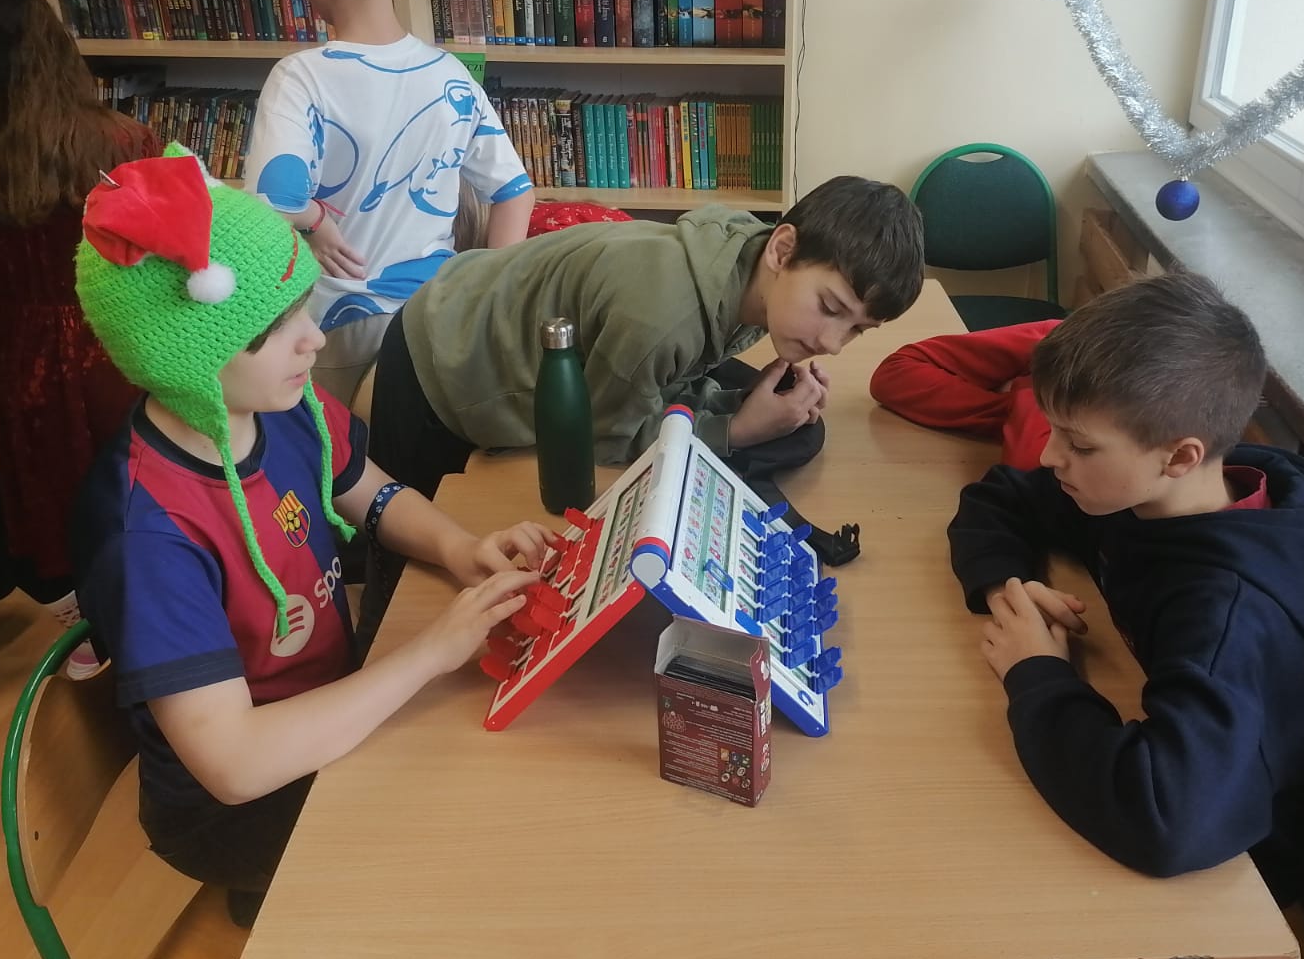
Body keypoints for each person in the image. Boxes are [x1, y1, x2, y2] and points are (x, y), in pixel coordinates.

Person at [71, 152, 553, 922]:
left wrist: (458, 547)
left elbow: (370, 492)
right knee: (474, 832)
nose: (314, 341)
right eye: (275, 328)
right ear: (190, 357)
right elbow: (234, 765)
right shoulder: (149, 534)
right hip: (230, 806)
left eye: (303, 308)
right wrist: (429, 653)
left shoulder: (282, 407)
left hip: (329, 707)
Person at [946, 272, 1304, 905]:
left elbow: (1169, 821)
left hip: (1234, 883)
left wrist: (1036, 674)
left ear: (1180, 456)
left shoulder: (1228, 612)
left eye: (1079, 444)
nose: (1051, 457)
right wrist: (1009, 585)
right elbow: (1002, 497)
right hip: (1171, 764)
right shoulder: (1141, 492)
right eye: (1054, 430)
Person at [360, 175, 926, 629]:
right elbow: (605, 440)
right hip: (442, 356)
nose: (832, 342)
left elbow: (670, 378)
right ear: (783, 249)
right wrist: (738, 429)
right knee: (410, 572)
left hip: (491, 312)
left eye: (857, 329)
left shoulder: (752, 269)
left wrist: (737, 404)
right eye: (830, 308)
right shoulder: (662, 317)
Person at [0, 0, 159, 671]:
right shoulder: (123, 139)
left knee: (52, 498)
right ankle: (165, 619)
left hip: (21, 353)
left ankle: (88, 636)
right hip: (121, 340)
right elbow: (160, 259)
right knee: (142, 486)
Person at [243, 0, 534, 404]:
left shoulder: (301, 77)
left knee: (342, 450)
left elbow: (270, 204)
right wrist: (485, 295)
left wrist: (315, 221)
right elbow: (514, 192)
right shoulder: (449, 74)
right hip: (434, 323)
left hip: (334, 326)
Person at [869, 318, 1059, 469]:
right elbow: (894, 374)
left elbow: (1027, 464)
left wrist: (1026, 408)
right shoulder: (1059, 344)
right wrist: (1020, 408)